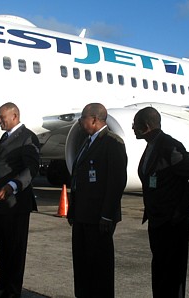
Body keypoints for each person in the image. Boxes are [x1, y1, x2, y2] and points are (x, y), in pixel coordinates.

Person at [133, 106, 189, 297]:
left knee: (172, 274)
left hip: (171, 223)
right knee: (160, 270)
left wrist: (182, 211)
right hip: (158, 220)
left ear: (146, 126)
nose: (132, 128)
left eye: (135, 125)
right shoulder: (152, 145)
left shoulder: (168, 146)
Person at [67, 103, 127, 298]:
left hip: (99, 218)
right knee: (83, 264)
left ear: (94, 119)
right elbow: (78, 179)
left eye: (83, 117)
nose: (80, 121)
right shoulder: (88, 142)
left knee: (100, 268)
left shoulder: (112, 142)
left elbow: (117, 182)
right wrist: (72, 210)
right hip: (82, 216)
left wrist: (107, 215)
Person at [0, 102, 40, 298]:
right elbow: (2, 166)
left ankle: (13, 289)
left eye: (1, 117)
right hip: (1, 204)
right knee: (4, 246)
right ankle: (4, 279)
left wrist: (12, 186)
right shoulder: (6, 136)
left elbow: (31, 169)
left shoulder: (27, 138)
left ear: (14, 116)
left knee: (16, 248)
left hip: (15, 203)